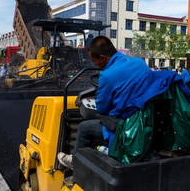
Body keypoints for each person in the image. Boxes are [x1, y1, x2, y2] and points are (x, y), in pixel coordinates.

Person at [57, 36, 151, 169]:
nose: (96, 66)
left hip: (124, 126)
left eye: (95, 62)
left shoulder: (107, 76)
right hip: (145, 119)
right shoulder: (140, 63)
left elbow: (102, 109)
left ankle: (75, 163)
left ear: (103, 57)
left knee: (84, 128)